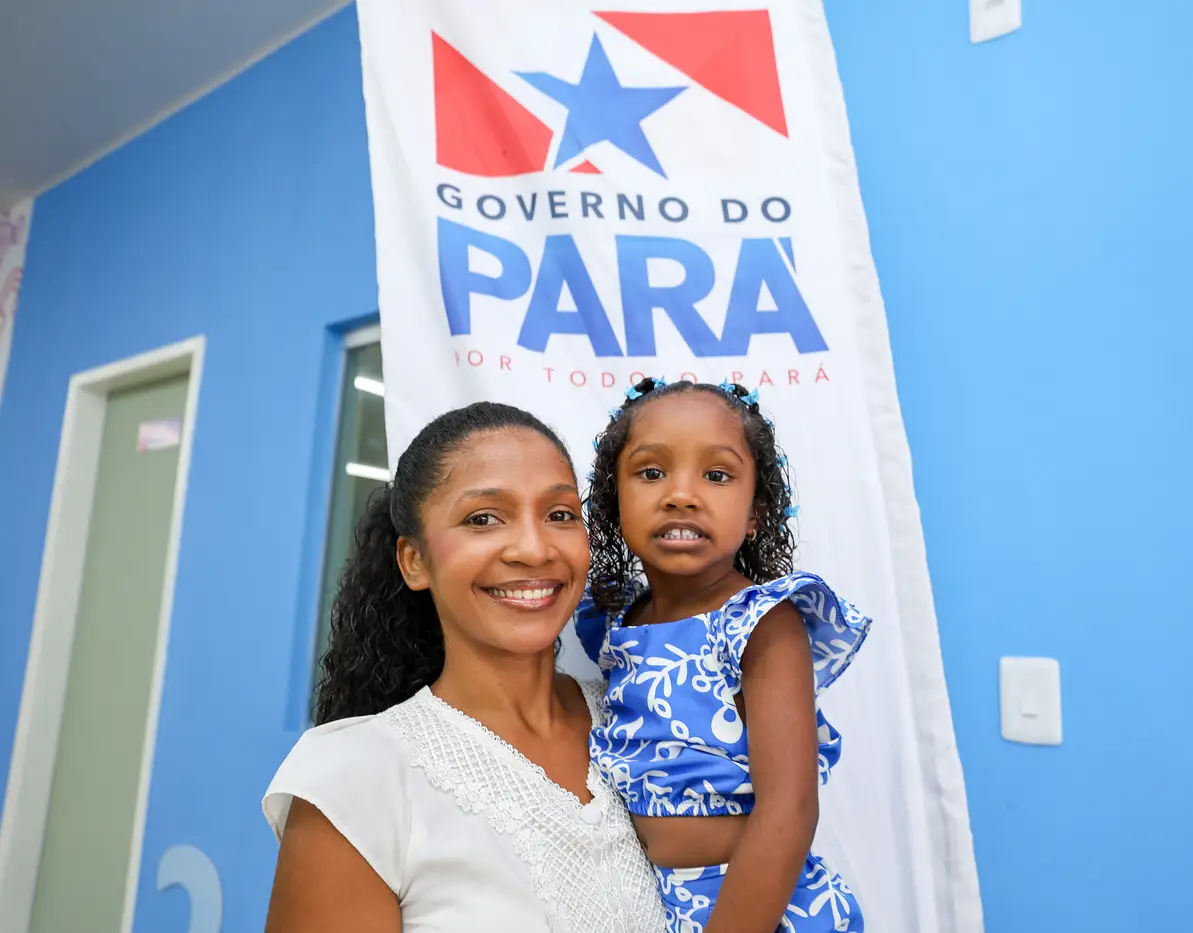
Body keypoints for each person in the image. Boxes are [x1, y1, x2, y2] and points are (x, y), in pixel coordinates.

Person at [262, 403, 666, 933]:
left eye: (561, 514)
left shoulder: (642, 717)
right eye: (483, 519)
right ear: (414, 561)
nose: (534, 547)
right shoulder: (354, 780)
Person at [576, 378, 870, 933]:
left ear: (757, 512)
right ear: (614, 501)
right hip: (655, 905)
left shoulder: (763, 623)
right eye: (651, 472)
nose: (681, 494)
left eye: (716, 475)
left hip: (756, 905)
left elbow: (790, 809)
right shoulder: (612, 619)